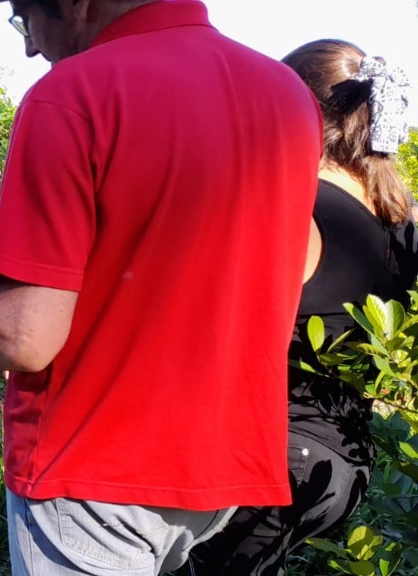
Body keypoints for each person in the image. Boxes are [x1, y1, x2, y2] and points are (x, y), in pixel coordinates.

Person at [0, 1, 323, 573]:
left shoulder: (74, 92)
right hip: (224, 465)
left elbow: (20, 337)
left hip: (92, 464)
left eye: (24, 15)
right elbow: (302, 256)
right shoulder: (287, 95)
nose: (30, 46)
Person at [181, 40, 417, 576]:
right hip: (344, 461)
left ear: (294, 107)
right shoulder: (398, 218)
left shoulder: (294, 204)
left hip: (277, 457)